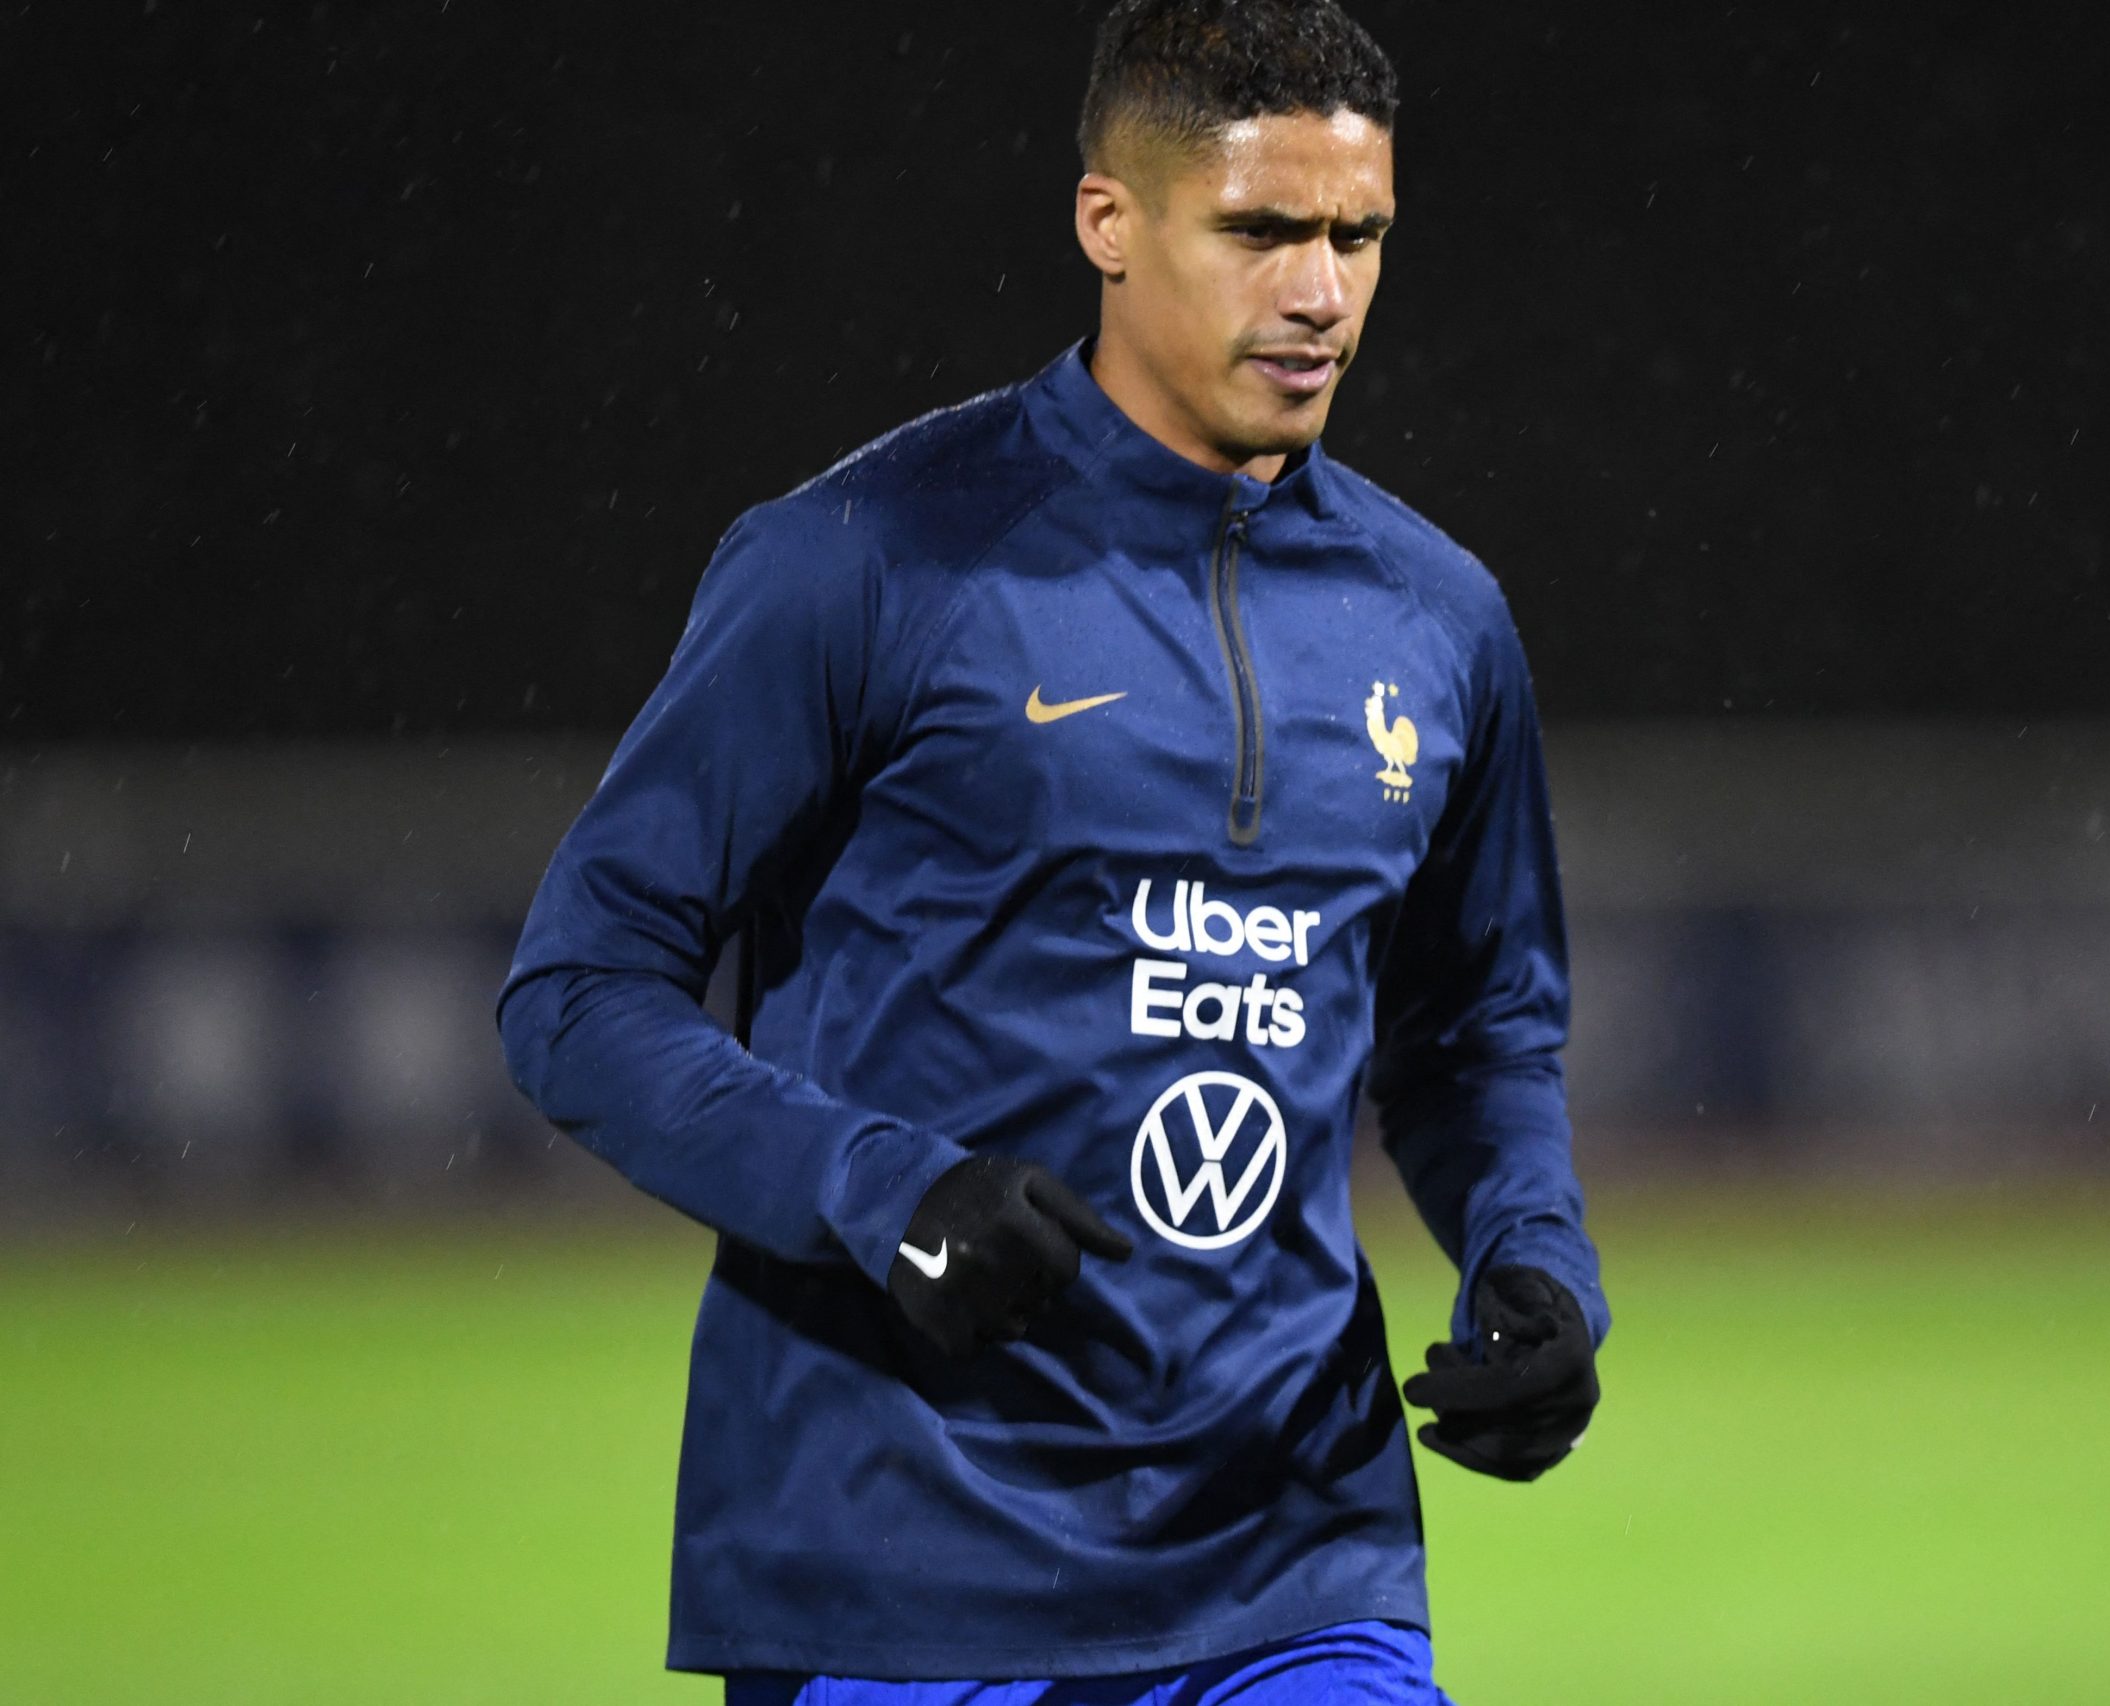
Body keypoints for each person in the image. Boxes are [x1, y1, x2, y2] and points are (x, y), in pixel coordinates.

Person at [496, 2, 1606, 1699]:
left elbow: (1473, 1030)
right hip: (900, 1565)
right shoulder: (863, 563)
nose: (1321, 292)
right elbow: (577, 990)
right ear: (1110, 223)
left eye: (1357, 235)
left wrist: (1534, 1260)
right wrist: (889, 1189)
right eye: (1260, 231)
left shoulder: (1438, 619)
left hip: (1294, 1549)